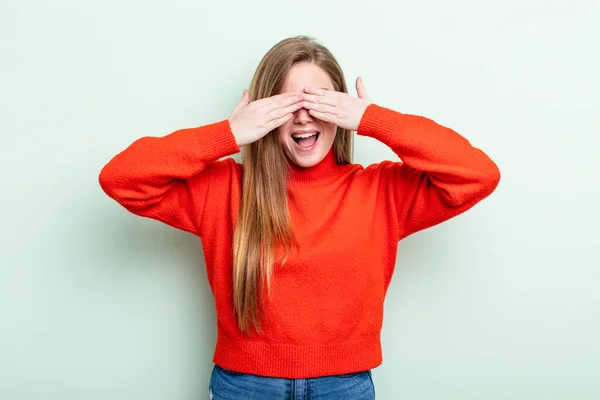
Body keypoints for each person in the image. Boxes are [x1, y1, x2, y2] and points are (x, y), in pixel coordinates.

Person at [98, 35, 501, 399]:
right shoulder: (224, 189)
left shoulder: (382, 192)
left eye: (320, 102)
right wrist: (228, 133)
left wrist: (374, 120)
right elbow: (120, 178)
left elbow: (477, 174)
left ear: (342, 110)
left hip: (345, 385)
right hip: (244, 385)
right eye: (288, 104)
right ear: (264, 112)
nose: (305, 117)